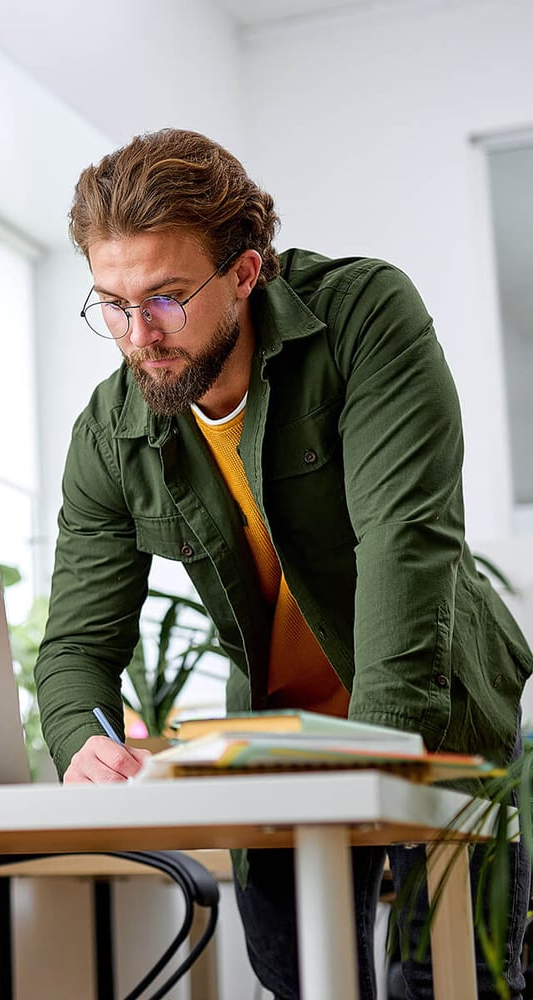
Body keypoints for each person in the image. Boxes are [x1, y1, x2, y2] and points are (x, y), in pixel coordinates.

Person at [33, 127, 532, 999]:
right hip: (278, 743)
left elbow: (404, 541)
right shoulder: (109, 434)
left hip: (440, 717)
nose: (137, 335)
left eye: (165, 298)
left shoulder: (363, 315)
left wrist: (373, 763)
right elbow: (77, 644)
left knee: (453, 982)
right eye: (111, 303)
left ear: (247, 271)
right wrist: (85, 743)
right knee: (300, 981)